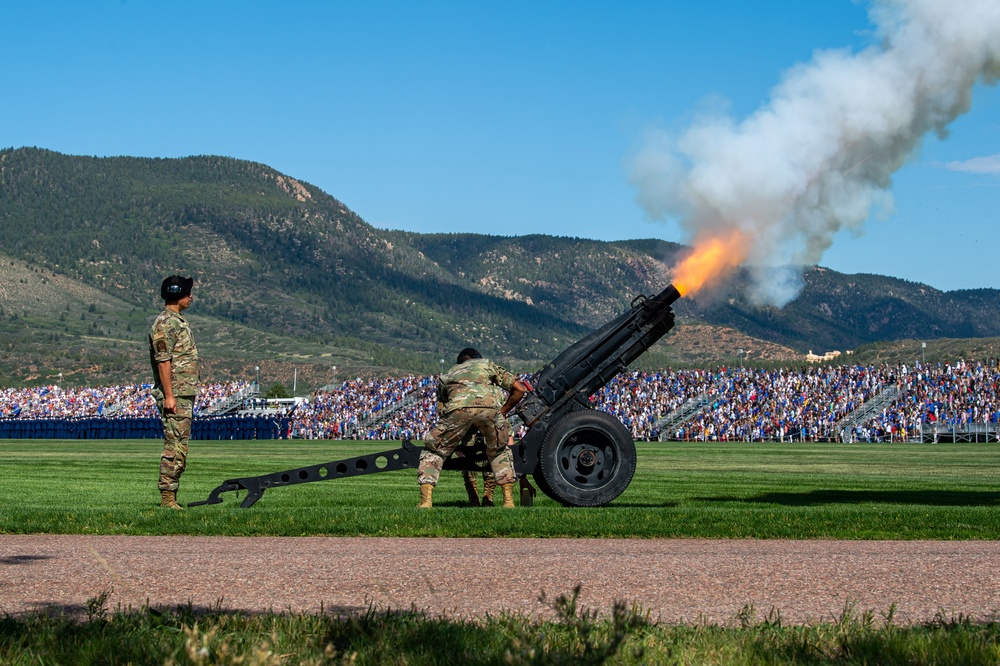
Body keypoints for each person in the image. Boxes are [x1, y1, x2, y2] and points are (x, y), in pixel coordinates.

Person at [417, 348, 526, 508]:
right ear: (477, 359)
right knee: (499, 451)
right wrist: (502, 412)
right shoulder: (488, 366)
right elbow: (520, 389)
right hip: (489, 410)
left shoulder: (449, 373)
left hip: (458, 410)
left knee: (434, 450)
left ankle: (426, 501)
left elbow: (442, 408)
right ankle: (508, 501)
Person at [148, 275, 200, 509]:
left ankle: (172, 496)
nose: (191, 297)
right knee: (175, 446)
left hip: (182, 392)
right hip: (175, 394)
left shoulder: (177, 322)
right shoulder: (166, 323)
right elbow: (163, 361)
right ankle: (167, 498)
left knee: (181, 445)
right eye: (187, 292)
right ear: (176, 293)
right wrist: (169, 395)